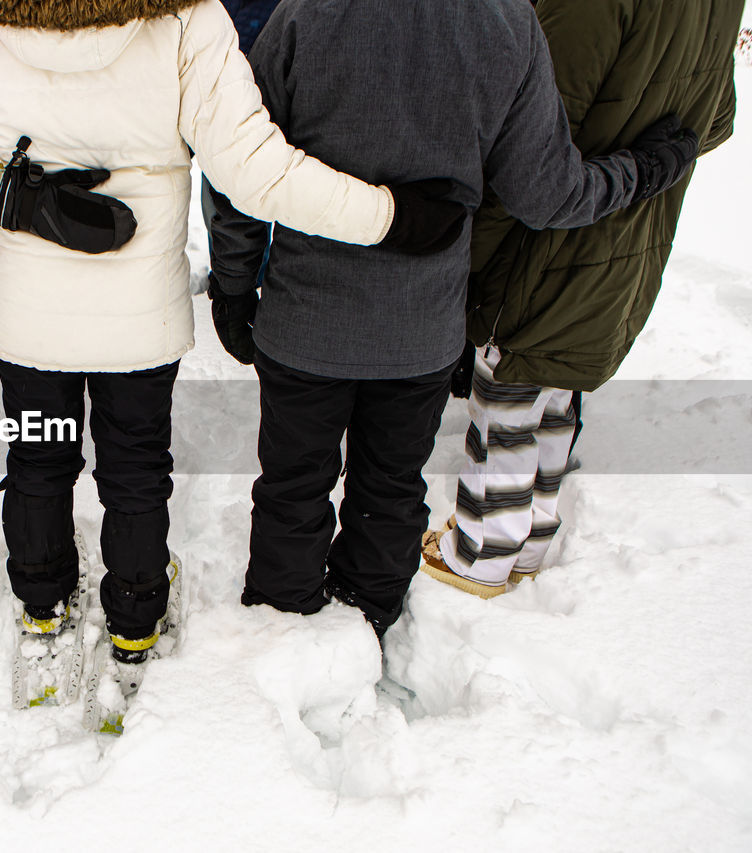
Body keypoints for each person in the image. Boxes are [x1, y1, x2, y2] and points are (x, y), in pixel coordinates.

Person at [0, 0, 466, 664]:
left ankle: (42, 605)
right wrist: (391, 216)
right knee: (133, 469)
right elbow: (256, 173)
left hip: (26, 299)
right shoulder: (186, 18)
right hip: (138, 307)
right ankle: (134, 615)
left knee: (39, 455)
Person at [207, 0, 701, 637]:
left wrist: (235, 284)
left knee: (293, 487)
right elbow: (548, 194)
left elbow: (238, 170)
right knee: (388, 491)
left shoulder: (305, 14)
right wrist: (646, 169)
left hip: (307, 323)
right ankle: (367, 628)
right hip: (421, 329)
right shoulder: (505, 21)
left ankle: (281, 633)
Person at [420, 0, 743, 598]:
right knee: (555, 385)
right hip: (633, 228)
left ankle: (481, 554)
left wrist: (467, 259)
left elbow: (531, 139)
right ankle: (531, 537)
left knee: (509, 388)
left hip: (553, 235)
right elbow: (716, 118)